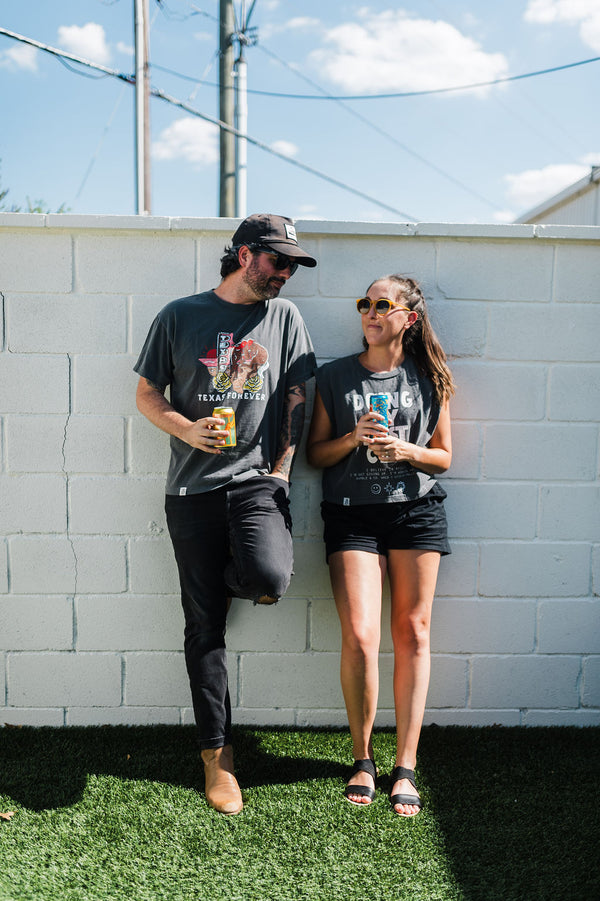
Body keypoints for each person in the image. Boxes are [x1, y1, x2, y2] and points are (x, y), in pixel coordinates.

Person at [134, 214, 317, 815]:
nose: (286, 275)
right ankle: (218, 757)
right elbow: (146, 393)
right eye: (278, 262)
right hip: (190, 492)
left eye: (293, 265)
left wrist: (283, 472)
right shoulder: (178, 315)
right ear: (244, 255)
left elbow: (297, 394)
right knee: (203, 627)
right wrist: (187, 428)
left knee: (268, 578)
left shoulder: (284, 318)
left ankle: (233, 577)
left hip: (256, 484)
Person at [306, 274, 454, 817]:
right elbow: (315, 456)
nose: (370, 311)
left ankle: (406, 766)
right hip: (352, 517)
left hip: (416, 513)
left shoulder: (428, 377)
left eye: (382, 304)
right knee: (362, 635)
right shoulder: (334, 376)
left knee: (413, 631)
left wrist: (405, 451)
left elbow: (444, 457)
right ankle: (363, 758)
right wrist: (353, 439)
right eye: (364, 302)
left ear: (407, 317)